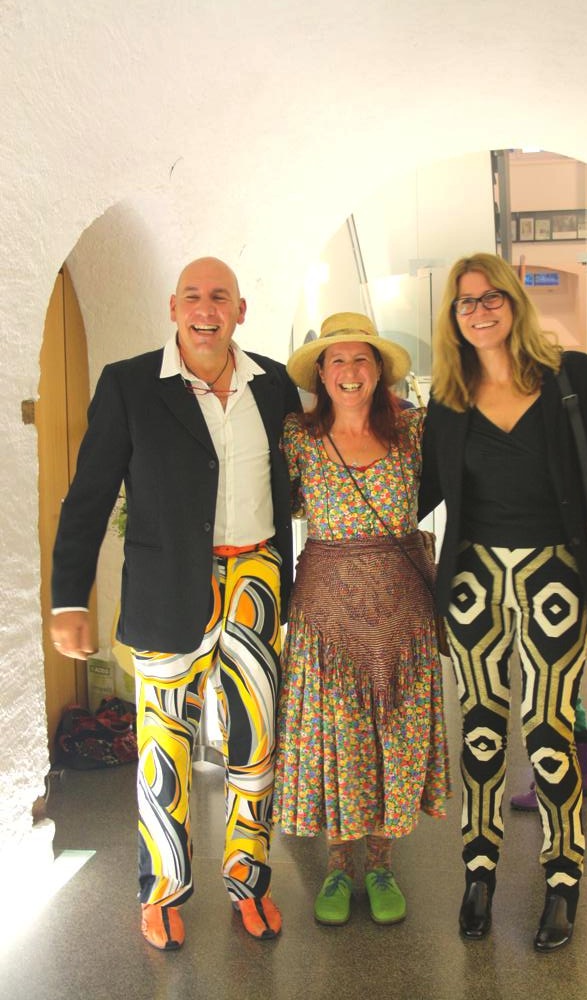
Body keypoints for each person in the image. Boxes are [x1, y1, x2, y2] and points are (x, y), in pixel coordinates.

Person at [50, 257, 301, 949]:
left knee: (256, 746)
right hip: (167, 589)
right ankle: (161, 892)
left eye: (219, 296)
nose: (205, 308)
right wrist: (69, 596)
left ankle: (249, 880)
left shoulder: (274, 384)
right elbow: (88, 496)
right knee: (164, 747)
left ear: (240, 311)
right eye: (193, 296)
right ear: (173, 307)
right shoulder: (130, 384)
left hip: (256, 581)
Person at [419, 252, 587, 952]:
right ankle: (478, 872)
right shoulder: (448, 398)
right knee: (480, 730)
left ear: (514, 302)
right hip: (473, 580)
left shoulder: (571, 377)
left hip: (555, 576)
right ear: (452, 317)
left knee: (548, 730)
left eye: (491, 297)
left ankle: (563, 877)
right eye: (465, 302)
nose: (479, 311)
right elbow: (418, 490)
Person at [274, 312, 451, 927]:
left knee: (392, 741)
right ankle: (336, 867)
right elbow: (273, 505)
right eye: (338, 361)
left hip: (402, 612)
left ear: (378, 371)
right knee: (339, 742)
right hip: (326, 616)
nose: (350, 372)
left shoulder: (414, 432)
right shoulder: (298, 438)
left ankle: (380, 865)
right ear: (321, 373)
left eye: (361, 359)